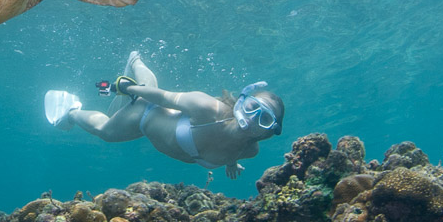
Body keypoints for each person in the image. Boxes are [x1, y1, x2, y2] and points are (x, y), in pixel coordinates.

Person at [45, 51, 284, 179]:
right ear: (242, 102)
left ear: (269, 132)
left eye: (264, 119)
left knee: (146, 90)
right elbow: (162, 97)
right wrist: (125, 87)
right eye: (253, 108)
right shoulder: (207, 107)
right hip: (144, 115)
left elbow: (234, 145)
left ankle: (135, 61)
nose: (253, 119)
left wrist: (232, 163)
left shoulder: (249, 150)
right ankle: (72, 110)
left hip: (155, 119)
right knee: (105, 131)